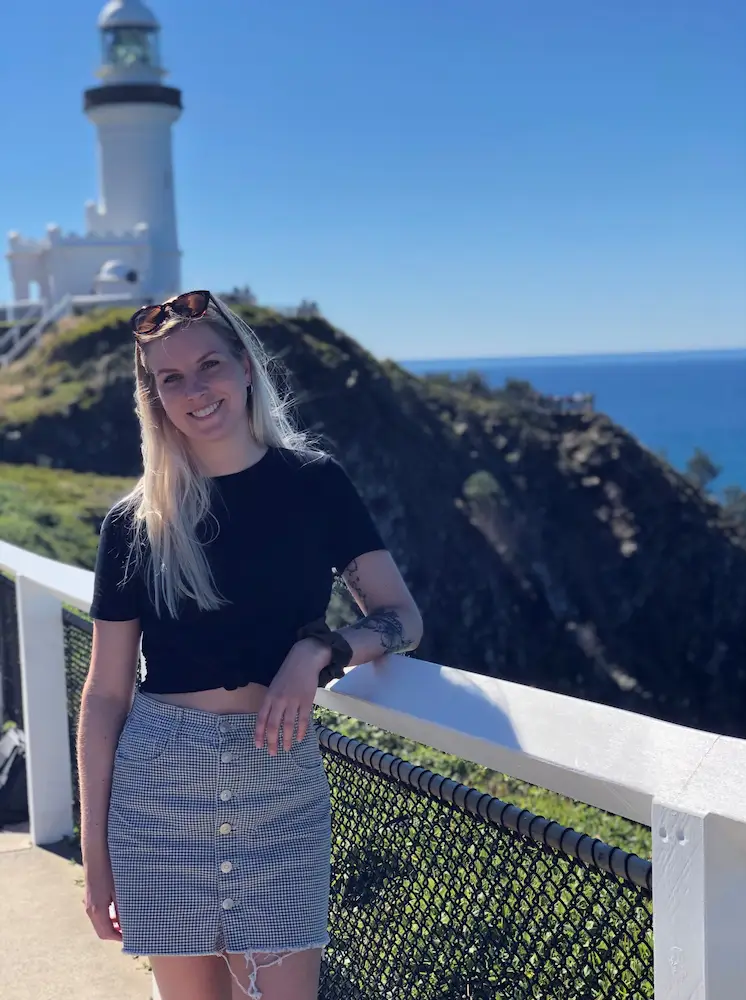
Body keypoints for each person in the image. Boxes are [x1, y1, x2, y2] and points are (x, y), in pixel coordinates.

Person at [77, 290, 424, 1000]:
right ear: (154, 397)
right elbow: (106, 694)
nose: (196, 391)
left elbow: (400, 618)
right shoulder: (135, 524)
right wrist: (95, 857)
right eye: (171, 379)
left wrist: (319, 651)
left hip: (281, 788)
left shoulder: (314, 486)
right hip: (157, 796)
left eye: (209, 365)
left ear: (244, 367)